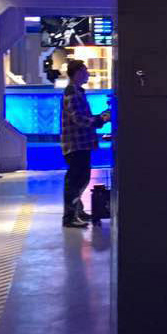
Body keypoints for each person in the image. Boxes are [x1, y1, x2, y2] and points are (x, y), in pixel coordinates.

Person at [60, 59, 110, 228]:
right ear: (77, 73)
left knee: (80, 179)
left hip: (80, 144)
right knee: (76, 180)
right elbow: (79, 119)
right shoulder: (72, 93)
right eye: (85, 71)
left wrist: (99, 118)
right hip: (76, 145)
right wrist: (99, 120)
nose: (88, 73)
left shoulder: (77, 91)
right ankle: (70, 217)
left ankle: (77, 212)